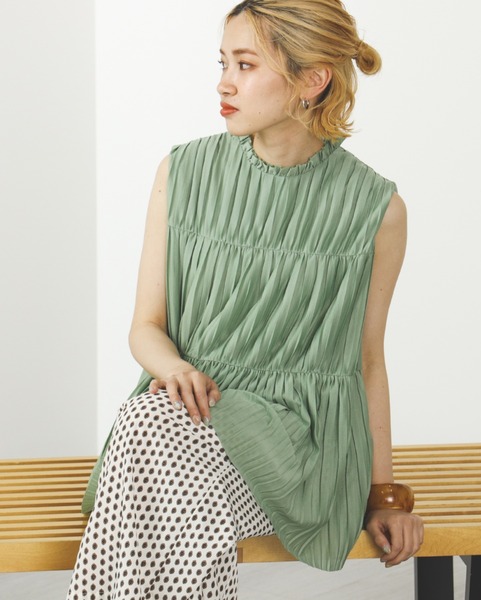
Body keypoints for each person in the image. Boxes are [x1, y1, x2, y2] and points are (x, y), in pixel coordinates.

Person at [67, 1, 424, 598]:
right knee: (161, 440)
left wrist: (384, 495)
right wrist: (175, 368)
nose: (223, 83)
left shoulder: (375, 209)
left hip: (294, 452)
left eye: (245, 64)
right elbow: (146, 326)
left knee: (145, 424)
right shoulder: (183, 172)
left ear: (313, 80)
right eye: (223, 62)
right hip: (187, 421)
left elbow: (367, 361)